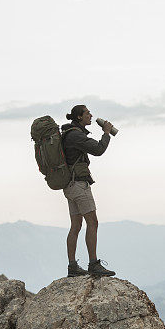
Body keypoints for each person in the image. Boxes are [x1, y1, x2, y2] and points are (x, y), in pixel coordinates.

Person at [61, 104, 116, 278]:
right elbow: (99, 149)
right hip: (79, 185)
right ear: (79, 117)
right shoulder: (76, 135)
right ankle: (93, 264)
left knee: (76, 226)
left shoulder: (68, 134)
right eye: (87, 113)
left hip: (69, 185)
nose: (91, 116)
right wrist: (106, 133)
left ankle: (72, 267)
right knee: (93, 222)